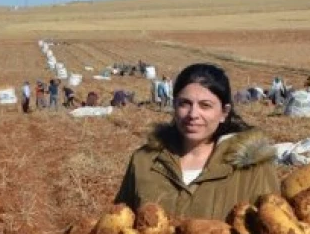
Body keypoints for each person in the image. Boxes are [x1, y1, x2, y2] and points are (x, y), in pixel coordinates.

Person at [114, 63, 280, 220]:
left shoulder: (254, 169)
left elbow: (270, 233)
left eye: (205, 105)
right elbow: (120, 221)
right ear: (174, 106)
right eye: (184, 104)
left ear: (224, 112)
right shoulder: (144, 161)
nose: (193, 114)